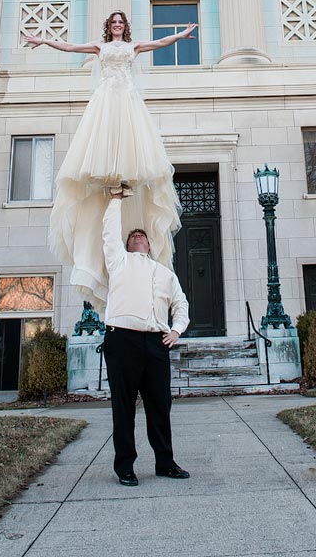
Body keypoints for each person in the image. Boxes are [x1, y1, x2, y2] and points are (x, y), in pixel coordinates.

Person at [23, 11, 196, 315]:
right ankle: (110, 181)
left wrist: (180, 36)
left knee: (130, 142)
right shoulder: (100, 48)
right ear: (109, 27)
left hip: (127, 100)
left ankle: (124, 179)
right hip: (106, 100)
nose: (117, 25)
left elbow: (160, 41)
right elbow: (71, 47)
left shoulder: (134, 47)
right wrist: (43, 40)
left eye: (121, 22)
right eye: (114, 22)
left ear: (125, 27)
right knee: (104, 141)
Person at [101, 192, 189, 485]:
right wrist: (116, 201)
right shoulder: (119, 262)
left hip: (155, 344)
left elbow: (181, 304)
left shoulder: (165, 274)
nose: (138, 235)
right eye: (133, 235)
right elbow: (109, 233)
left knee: (160, 406)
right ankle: (125, 467)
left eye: (142, 234)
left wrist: (176, 330)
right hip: (121, 340)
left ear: (150, 244)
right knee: (123, 407)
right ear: (127, 245)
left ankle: (165, 462)